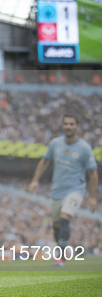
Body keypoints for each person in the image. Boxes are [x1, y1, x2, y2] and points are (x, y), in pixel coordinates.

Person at [28, 114, 98, 266]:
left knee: (65, 217)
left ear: (77, 126)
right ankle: (61, 251)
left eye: (71, 124)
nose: (68, 126)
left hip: (75, 189)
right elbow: (44, 161)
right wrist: (35, 181)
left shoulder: (84, 148)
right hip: (57, 190)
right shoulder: (55, 143)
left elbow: (93, 173)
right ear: (62, 126)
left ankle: (61, 257)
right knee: (57, 225)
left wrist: (92, 197)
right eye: (66, 124)